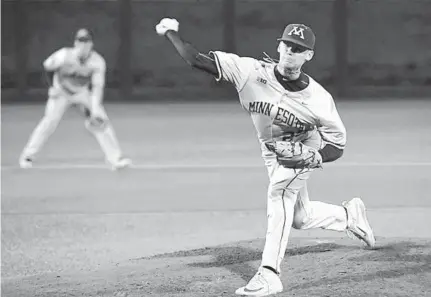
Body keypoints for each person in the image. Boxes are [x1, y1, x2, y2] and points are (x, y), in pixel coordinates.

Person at [155, 18, 376, 296]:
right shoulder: (249, 71)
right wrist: (170, 31)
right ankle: (348, 216)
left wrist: (313, 156)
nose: (289, 52)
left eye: (297, 49)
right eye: (286, 45)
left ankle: (269, 274)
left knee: (279, 193)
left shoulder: (319, 99)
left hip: (302, 145)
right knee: (300, 217)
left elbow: (337, 145)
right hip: (270, 149)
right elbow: (195, 59)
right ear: (279, 45)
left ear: (308, 55)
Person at [19, 28, 131, 170]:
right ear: (75, 44)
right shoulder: (64, 55)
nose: (83, 45)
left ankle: (115, 159)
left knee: (102, 120)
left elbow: (97, 87)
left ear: (91, 44)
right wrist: (51, 87)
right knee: (49, 122)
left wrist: (95, 108)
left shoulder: (97, 62)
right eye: (80, 42)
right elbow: (47, 67)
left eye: (86, 42)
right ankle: (28, 156)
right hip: (61, 92)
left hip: (81, 93)